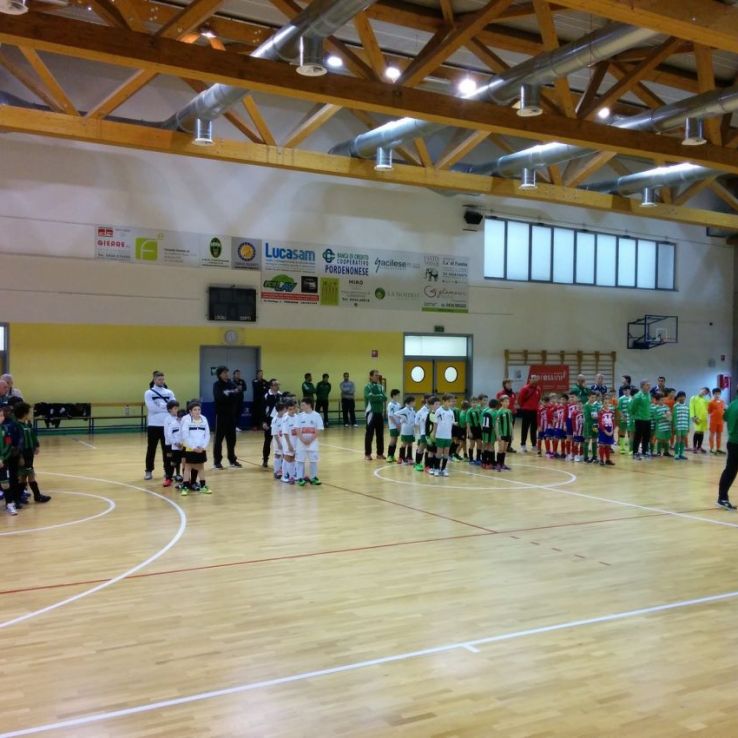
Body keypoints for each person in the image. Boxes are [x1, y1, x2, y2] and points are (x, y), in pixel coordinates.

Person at [13, 402, 51, 504]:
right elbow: (16, 443)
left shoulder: (27, 425)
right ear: (24, 414)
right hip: (23, 454)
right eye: (29, 412)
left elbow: (33, 436)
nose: (31, 414)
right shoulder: (17, 426)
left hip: (29, 454)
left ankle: (19, 497)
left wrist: (36, 445)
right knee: (28, 476)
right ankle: (35, 496)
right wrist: (20, 456)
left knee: (25, 476)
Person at [144, 371, 176, 480]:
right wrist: (167, 408)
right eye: (159, 379)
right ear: (154, 380)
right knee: (151, 449)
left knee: (167, 449)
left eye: (163, 379)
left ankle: (167, 471)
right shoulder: (148, 393)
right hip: (153, 425)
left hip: (167, 425)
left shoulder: (169, 392)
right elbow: (151, 408)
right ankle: (149, 470)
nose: (161, 381)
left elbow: (174, 406)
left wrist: (163, 407)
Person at [212, 366, 242, 470]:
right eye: (224, 373)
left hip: (231, 415)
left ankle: (232, 459)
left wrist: (228, 394)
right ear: (219, 374)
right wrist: (232, 394)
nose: (226, 374)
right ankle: (217, 461)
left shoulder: (231, 384)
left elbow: (238, 395)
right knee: (218, 440)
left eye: (227, 372)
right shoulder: (217, 385)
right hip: (221, 416)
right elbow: (219, 397)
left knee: (232, 439)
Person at [180, 400, 211, 495]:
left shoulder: (204, 419)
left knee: (201, 467)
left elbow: (207, 434)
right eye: (195, 410)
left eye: (199, 409)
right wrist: (193, 447)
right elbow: (185, 435)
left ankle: (203, 486)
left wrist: (203, 446)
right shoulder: (187, 421)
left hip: (201, 448)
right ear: (190, 411)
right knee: (188, 467)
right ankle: (185, 487)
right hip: (190, 448)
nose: (197, 411)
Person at [295, 396, 324, 486]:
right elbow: (297, 429)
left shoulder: (317, 416)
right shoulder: (299, 416)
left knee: (313, 461)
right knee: (300, 461)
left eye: (303, 405)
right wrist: (303, 440)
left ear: (309, 405)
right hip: (301, 443)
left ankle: (313, 477)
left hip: (313, 443)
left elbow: (318, 429)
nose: (301, 407)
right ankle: (299, 478)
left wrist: (310, 440)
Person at [364, 370, 386, 460]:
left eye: (378, 375)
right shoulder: (367, 387)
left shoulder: (381, 387)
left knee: (380, 435)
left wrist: (378, 396)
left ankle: (380, 454)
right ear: (371, 376)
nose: (377, 377)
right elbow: (370, 397)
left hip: (379, 413)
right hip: (371, 413)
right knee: (369, 434)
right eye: (376, 375)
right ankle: (367, 454)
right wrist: (379, 396)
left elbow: (385, 397)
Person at [431, 394, 455, 477]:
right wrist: (434, 433)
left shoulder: (451, 412)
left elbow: (451, 423)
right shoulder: (439, 411)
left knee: (446, 452)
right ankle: (437, 468)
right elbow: (435, 423)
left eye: (451, 401)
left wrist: (451, 434)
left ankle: (443, 469)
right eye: (448, 401)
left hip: (448, 436)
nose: (450, 403)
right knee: (439, 452)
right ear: (444, 401)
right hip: (440, 435)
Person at [517, 375, 541, 452]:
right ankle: (523, 445)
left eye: (535, 378)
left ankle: (534, 445)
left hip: (535, 411)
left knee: (534, 429)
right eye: (532, 378)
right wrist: (524, 407)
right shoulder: (525, 388)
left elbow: (538, 399)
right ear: (529, 379)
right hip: (526, 411)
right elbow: (520, 399)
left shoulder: (538, 389)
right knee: (525, 428)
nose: (534, 380)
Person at [629, 380, 652, 460]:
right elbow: (632, 408)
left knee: (646, 436)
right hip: (640, 419)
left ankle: (644, 452)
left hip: (648, 418)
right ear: (642, 386)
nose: (649, 386)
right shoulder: (638, 396)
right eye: (647, 385)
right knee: (638, 437)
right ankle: (635, 452)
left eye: (649, 385)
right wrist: (635, 416)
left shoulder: (649, 394)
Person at [262, 379, 282, 468]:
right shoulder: (266, 396)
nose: (277, 386)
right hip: (269, 422)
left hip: (280, 422)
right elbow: (262, 409)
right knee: (267, 441)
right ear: (271, 386)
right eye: (275, 384)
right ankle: (265, 459)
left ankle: (281, 461)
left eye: (278, 384)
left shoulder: (281, 395)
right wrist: (263, 422)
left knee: (280, 441)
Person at [163, 399, 183, 488]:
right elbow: (167, 434)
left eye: (177, 408)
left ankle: (178, 475)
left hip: (179, 445)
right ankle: (168, 477)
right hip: (169, 445)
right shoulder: (167, 420)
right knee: (170, 462)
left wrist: (181, 443)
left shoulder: (180, 419)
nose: (177, 410)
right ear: (169, 410)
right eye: (175, 408)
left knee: (178, 460)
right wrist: (174, 443)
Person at [394, 396, 416, 465]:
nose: (414, 403)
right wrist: (403, 418)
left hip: (411, 430)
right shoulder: (405, 409)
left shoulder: (412, 410)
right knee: (404, 443)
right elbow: (396, 414)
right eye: (413, 401)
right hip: (405, 430)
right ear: (410, 402)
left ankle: (409, 457)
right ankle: (401, 457)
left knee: (410, 443)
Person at [496, 379, 517, 452]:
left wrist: (513, 410)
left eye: (510, 383)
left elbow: (514, 403)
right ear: (504, 384)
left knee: (509, 428)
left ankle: (508, 446)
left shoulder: (513, 393)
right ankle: (501, 444)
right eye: (508, 383)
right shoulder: (500, 393)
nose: (510, 385)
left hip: (511, 413)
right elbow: (498, 404)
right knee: (503, 429)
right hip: (502, 414)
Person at [495, 395, 513, 471]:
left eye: (508, 401)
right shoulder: (499, 412)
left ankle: (502, 464)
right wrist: (498, 434)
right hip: (502, 433)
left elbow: (510, 423)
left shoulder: (509, 411)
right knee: (501, 449)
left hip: (508, 433)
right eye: (505, 401)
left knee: (505, 449)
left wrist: (512, 434)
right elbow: (496, 424)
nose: (507, 403)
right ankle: (498, 464)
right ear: (501, 402)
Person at [689, 387, 710, 453]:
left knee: (701, 432)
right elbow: (691, 407)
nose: (704, 392)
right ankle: (694, 447)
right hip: (697, 418)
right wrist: (693, 417)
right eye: (703, 391)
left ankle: (699, 447)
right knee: (697, 432)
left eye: (706, 392)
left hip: (704, 418)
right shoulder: (693, 398)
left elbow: (708, 407)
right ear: (700, 390)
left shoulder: (705, 400)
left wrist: (710, 396)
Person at [270, 401, 287, 480]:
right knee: (277, 455)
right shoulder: (275, 420)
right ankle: (276, 472)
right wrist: (279, 443)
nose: (285, 410)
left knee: (285, 456)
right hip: (278, 441)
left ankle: (284, 471)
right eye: (284, 409)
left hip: (285, 440)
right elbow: (274, 433)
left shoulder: (285, 417)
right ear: (280, 410)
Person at [597, 398, 616, 466]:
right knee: (602, 445)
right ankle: (601, 460)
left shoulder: (611, 412)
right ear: (603, 404)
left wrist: (612, 430)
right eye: (605, 403)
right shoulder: (600, 412)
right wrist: (605, 431)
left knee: (608, 445)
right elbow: (600, 423)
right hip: (603, 430)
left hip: (610, 429)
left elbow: (613, 422)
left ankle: (607, 460)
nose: (607, 404)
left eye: (608, 403)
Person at [672, 391, 690, 461]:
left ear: (685, 397)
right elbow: (674, 417)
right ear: (678, 398)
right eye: (680, 397)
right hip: (678, 426)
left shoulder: (687, 406)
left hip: (684, 426)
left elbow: (688, 417)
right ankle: (676, 454)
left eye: (683, 396)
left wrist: (688, 426)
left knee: (683, 440)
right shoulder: (675, 406)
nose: (682, 398)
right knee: (678, 439)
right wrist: (674, 426)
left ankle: (681, 454)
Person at [708, 388, 726, 454]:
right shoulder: (711, 402)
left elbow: (723, 410)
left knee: (719, 435)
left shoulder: (722, 402)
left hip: (721, 421)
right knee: (712, 435)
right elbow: (709, 411)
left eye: (718, 394)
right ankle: (711, 448)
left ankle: (718, 449)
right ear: (713, 394)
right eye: (716, 394)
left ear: (720, 394)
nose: (717, 395)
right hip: (713, 421)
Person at [386, 389, 402, 463]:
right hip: (393, 425)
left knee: (395, 440)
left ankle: (392, 455)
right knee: (393, 439)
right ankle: (389, 456)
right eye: (398, 395)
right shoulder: (390, 405)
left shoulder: (398, 404)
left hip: (398, 424)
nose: (399, 396)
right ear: (394, 395)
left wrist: (400, 424)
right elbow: (390, 416)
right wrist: (396, 424)